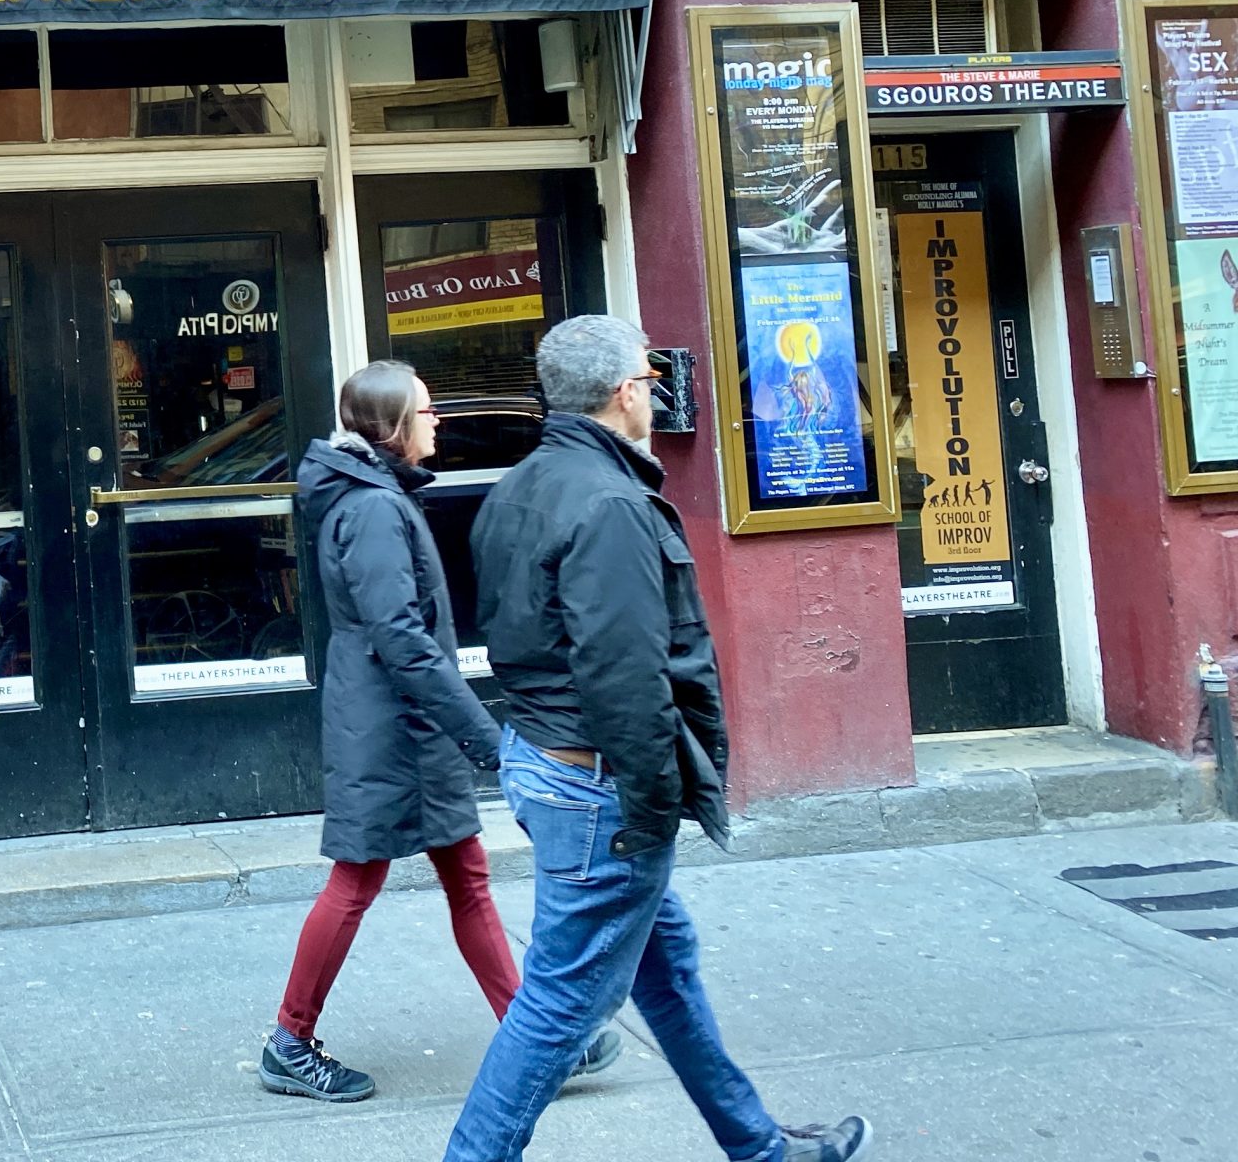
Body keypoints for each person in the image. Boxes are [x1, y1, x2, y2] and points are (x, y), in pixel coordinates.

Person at [442, 316, 872, 1162]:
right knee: (560, 1003)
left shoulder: (521, 486)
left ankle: (758, 1147)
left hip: (551, 759)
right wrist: (650, 807)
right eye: (648, 379)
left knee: (664, 971)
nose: (654, 392)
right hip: (596, 783)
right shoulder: (609, 504)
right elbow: (625, 676)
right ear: (624, 393)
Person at [260, 361, 622, 1104]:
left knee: (467, 877)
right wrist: (484, 738)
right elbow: (401, 638)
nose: (438, 421)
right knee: (357, 879)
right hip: (389, 727)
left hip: (404, 723)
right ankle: (289, 1041)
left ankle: (536, 1037)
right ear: (394, 426)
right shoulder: (372, 509)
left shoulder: (376, 496)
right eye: (426, 411)